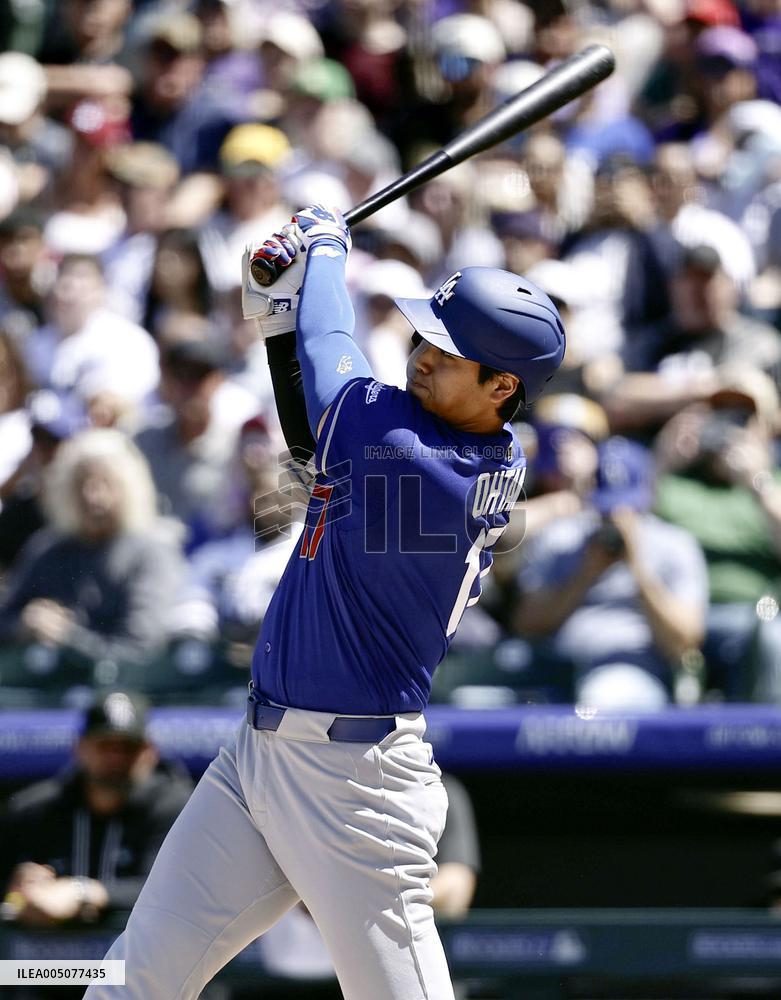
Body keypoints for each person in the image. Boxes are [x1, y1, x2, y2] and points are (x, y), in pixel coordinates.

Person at [84, 203, 564, 1000]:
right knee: (134, 980)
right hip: (260, 752)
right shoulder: (421, 433)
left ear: (501, 385)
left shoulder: (427, 460)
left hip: (357, 783)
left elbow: (334, 359)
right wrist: (280, 312)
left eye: (445, 353)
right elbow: (313, 436)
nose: (420, 356)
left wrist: (327, 253)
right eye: (423, 339)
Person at [513, 436, 708, 710]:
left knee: (600, 698)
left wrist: (637, 568)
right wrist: (586, 574)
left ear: (648, 494)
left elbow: (684, 642)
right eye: (606, 507)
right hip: (554, 667)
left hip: (633, 670)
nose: (615, 515)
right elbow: (526, 625)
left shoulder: (675, 544)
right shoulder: (561, 539)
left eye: (627, 505)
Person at [0, 690, 192, 927]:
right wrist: (17, 893)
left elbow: (175, 889)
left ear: (149, 752)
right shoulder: (35, 809)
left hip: (146, 957)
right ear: (79, 747)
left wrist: (81, 892)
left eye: (127, 747)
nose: (116, 757)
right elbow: (11, 888)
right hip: (48, 961)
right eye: (105, 745)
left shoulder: (177, 807)